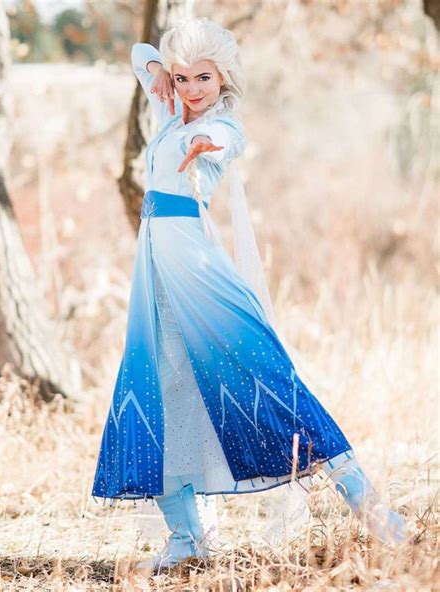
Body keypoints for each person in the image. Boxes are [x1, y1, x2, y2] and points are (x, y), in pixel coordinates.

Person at [91, 17, 407, 573]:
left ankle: (377, 515)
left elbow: (226, 142)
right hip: (156, 278)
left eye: (204, 78)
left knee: (271, 387)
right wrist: (162, 68)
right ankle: (186, 540)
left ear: (222, 78)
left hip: (199, 274)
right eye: (184, 78)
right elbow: (140, 53)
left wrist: (206, 140)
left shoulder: (220, 126)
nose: (192, 89)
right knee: (157, 390)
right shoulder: (169, 112)